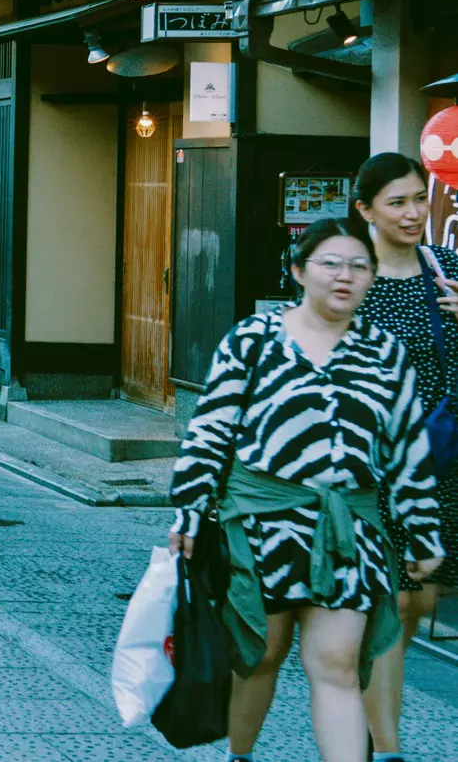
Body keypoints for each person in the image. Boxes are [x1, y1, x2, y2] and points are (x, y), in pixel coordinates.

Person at [170, 218, 444, 762]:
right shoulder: (253, 340)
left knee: (338, 664)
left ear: (371, 278)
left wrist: (421, 532)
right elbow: (211, 429)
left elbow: (408, 449)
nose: (345, 276)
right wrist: (190, 511)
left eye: (358, 266)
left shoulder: (386, 353)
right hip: (262, 526)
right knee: (259, 657)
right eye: (330, 264)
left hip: (348, 533)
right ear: (299, 271)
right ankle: (238, 756)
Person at [352, 151, 458, 760]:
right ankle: (379, 746)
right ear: (364, 209)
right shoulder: (348, 273)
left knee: (419, 600)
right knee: (388, 604)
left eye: (420, 197)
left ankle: (366, 727)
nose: (415, 212)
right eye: (398, 201)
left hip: (442, 462)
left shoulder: (445, 268)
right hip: (374, 465)